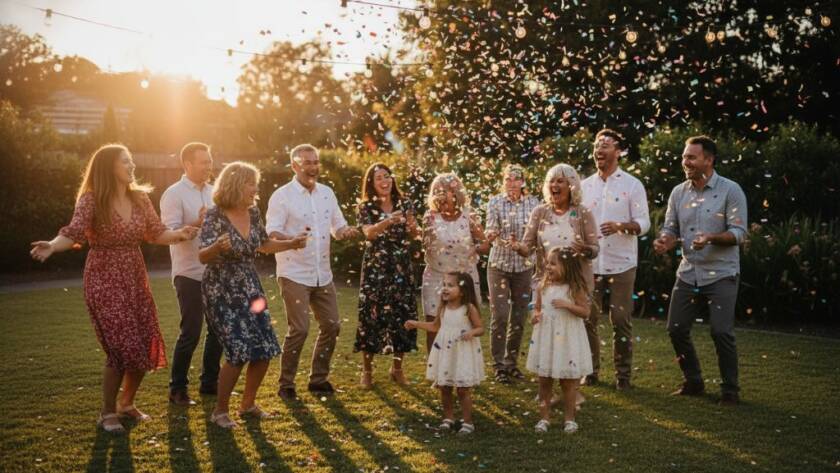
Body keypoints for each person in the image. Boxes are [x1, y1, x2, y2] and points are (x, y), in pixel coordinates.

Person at [30, 144, 198, 433]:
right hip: (103, 276)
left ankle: (126, 404)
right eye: (125, 162)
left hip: (133, 276)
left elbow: (156, 233)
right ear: (108, 167)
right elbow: (73, 232)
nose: (131, 166)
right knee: (121, 346)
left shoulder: (140, 198)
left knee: (143, 343)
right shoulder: (91, 200)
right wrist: (53, 246)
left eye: (131, 160)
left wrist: (180, 234)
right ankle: (107, 413)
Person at [199, 161, 307, 429]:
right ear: (236, 184)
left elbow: (264, 245)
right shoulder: (215, 215)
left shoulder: (253, 213)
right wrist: (216, 246)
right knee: (237, 349)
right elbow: (202, 255)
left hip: (250, 286)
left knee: (264, 347)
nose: (255, 188)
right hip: (221, 289)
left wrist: (291, 243)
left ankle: (247, 404)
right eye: (251, 182)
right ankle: (220, 412)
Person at [653, 135, 748, 406]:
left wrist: (710, 238)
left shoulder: (731, 191)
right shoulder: (678, 192)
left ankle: (730, 390)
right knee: (675, 328)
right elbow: (670, 228)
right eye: (685, 157)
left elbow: (739, 233)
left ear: (709, 159)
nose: (686, 162)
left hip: (722, 273)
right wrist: (665, 240)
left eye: (691, 157)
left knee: (721, 331)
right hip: (688, 272)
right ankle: (693, 381)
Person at [266, 144, 360, 400]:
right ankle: (286, 383)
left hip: (323, 274)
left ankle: (318, 379)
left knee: (332, 325)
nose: (313, 167)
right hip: (293, 272)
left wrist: (346, 232)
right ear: (295, 166)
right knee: (300, 329)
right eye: (307, 162)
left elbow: (338, 227)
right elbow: (272, 231)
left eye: (315, 162)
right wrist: (290, 239)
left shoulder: (327, 193)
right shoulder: (281, 196)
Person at [580, 129, 650, 389]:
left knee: (620, 320)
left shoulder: (632, 185)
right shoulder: (585, 186)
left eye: (606, 145)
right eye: (597, 145)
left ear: (618, 151)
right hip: (590, 264)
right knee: (588, 318)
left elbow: (644, 224)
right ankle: (591, 371)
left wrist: (621, 225)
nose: (599, 149)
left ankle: (623, 376)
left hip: (622, 263)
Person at [160, 142, 224, 406]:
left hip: (216, 271)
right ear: (187, 164)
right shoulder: (173, 194)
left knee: (218, 330)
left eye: (210, 161)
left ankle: (210, 383)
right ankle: (177, 388)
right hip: (188, 272)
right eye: (203, 162)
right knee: (192, 331)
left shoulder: (215, 192)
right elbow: (168, 234)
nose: (209, 166)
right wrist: (197, 223)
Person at [355, 163, 420, 388]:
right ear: (371, 184)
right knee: (370, 316)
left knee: (402, 314)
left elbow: (415, 233)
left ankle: (397, 369)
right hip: (376, 267)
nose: (385, 181)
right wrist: (387, 221)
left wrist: (413, 225)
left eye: (387, 176)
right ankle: (367, 371)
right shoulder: (366, 207)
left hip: (401, 266)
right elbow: (369, 233)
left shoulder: (405, 203)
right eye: (379, 178)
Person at [405, 272, 485, 436]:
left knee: (463, 390)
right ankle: (448, 418)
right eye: (444, 285)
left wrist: (472, 333)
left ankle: (468, 422)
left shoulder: (468, 308)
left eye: (450, 285)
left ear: (462, 290)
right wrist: (416, 324)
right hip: (446, 352)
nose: (445, 288)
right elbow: (435, 327)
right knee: (445, 387)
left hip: (462, 352)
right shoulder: (443, 308)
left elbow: (481, 328)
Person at [484, 164, 540, 384]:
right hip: (498, 264)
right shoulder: (495, 202)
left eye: (516, 179)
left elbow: (536, 234)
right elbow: (491, 227)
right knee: (499, 316)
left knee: (518, 317)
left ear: (523, 181)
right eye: (508, 179)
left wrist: (523, 246)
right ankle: (498, 365)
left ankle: (511, 363)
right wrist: (492, 234)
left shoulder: (534, 204)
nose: (512, 183)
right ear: (503, 181)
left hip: (524, 267)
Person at [528, 247, 593, 434]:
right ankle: (544, 418)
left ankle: (569, 419)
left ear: (567, 266)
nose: (548, 266)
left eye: (553, 263)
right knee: (544, 381)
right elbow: (537, 308)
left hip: (567, 338)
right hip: (547, 337)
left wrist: (568, 305)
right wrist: (535, 316)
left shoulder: (574, 288)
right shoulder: (543, 286)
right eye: (547, 262)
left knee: (568, 382)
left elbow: (585, 312)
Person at [421, 172, 488, 353]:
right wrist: (425, 232)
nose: (440, 195)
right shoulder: (430, 217)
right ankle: (435, 370)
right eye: (436, 191)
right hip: (436, 275)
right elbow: (424, 247)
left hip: (464, 277)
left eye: (444, 191)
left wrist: (479, 247)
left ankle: (461, 369)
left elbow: (484, 244)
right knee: (433, 323)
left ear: (456, 193)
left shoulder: (469, 215)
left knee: (464, 321)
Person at [512, 163, 599, 291]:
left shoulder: (583, 213)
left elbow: (595, 249)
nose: (554, 185)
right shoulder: (539, 212)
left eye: (560, 181)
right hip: (546, 283)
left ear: (571, 186)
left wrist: (585, 249)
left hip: (576, 286)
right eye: (551, 181)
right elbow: (527, 249)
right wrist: (518, 247)